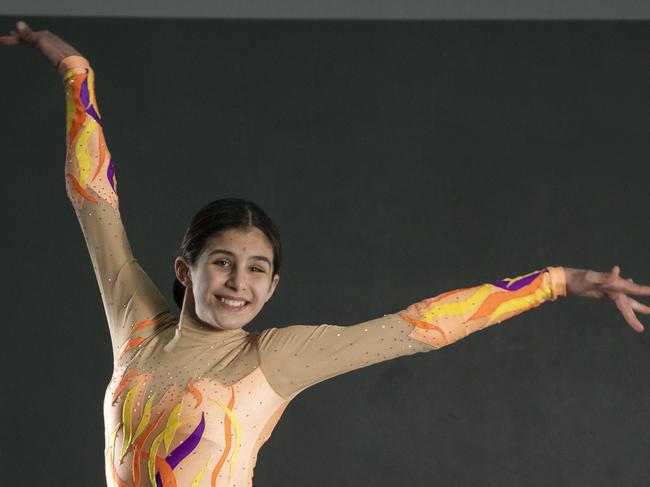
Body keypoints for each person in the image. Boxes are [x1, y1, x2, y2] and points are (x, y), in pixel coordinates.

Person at [3, 20, 649, 487]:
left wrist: (559, 280)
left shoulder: (275, 357)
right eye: (223, 261)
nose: (239, 282)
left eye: (258, 269)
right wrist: (74, 69)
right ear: (185, 269)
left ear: (273, 286)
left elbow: (419, 328)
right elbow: (94, 200)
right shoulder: (136, 324)